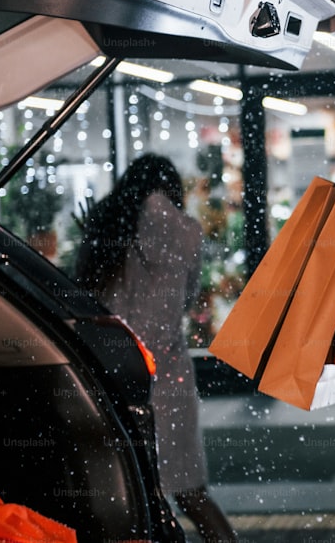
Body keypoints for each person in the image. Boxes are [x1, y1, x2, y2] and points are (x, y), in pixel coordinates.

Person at [74, 154, 236, 543]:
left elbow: (86, 299)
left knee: (130, 493)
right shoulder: (186, 232)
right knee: (191, 491)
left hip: (113, 375)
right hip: (169, 375)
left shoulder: (109, 226)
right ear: (171, 189)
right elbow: (185, 298)